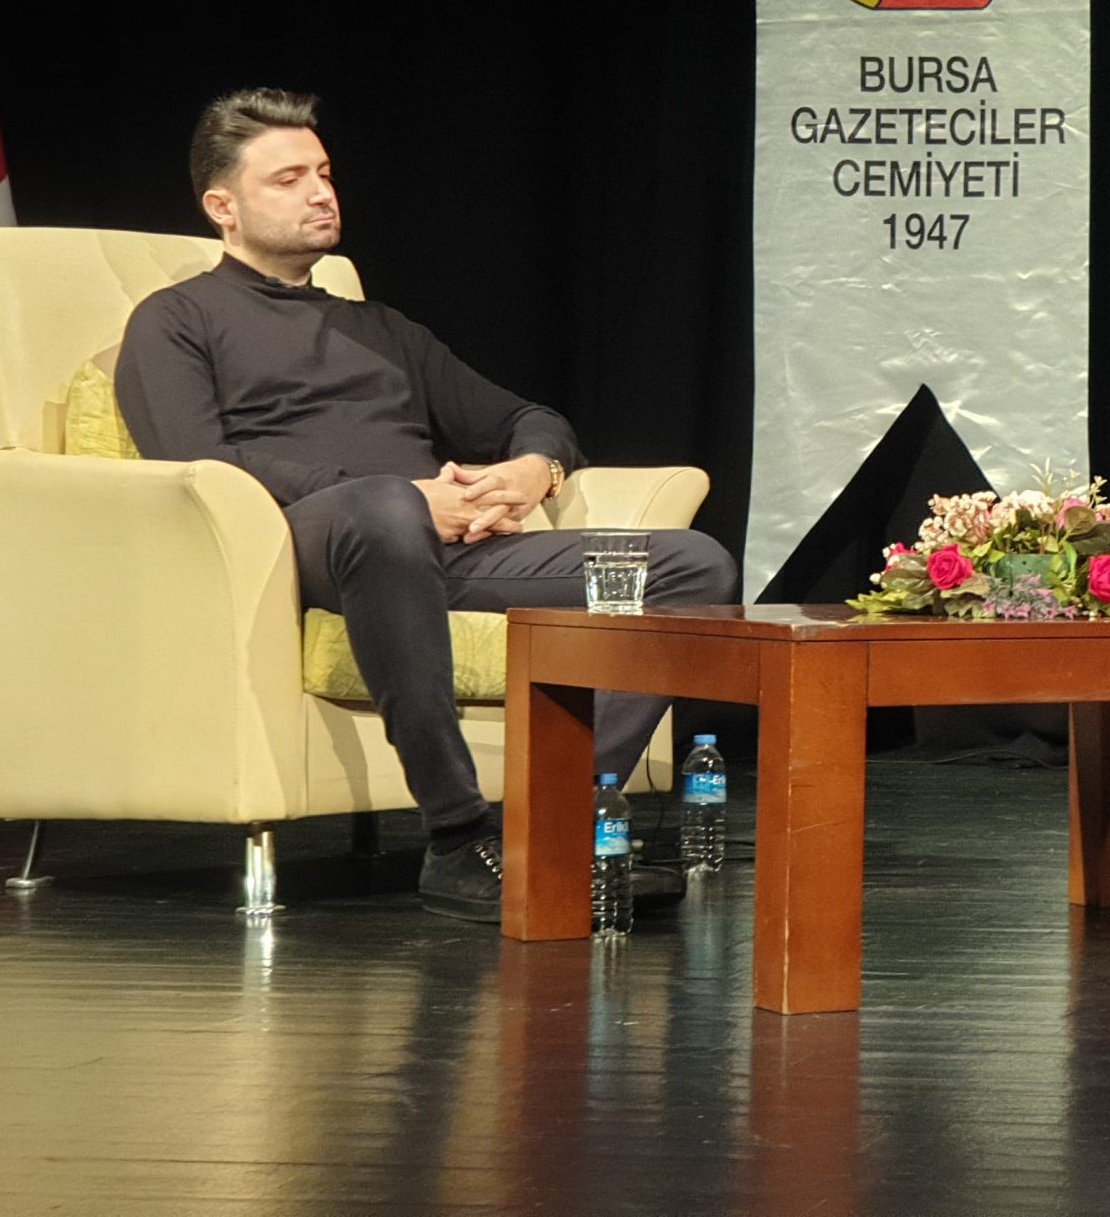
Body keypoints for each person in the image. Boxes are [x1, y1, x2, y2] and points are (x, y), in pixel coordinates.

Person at [115, 88, 741, 922]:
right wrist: (407, 498)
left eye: (324, 173)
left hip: (453, 550)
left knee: (692, 566)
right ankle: (455, 836)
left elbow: (529, 417)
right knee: (383, 511)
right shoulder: (176, 320)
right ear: (221, 207)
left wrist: (532, 472)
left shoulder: (380, 328)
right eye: (289, 179)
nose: (320, 193)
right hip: (310, 545)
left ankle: (550, 830)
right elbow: (195, 461)